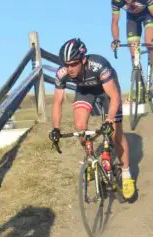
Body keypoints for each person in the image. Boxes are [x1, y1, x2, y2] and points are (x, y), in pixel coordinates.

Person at [49, 38, 136, 200]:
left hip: (108, 90)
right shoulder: (62, 73)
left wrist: (109, 121)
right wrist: (56, 128)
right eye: (66, 64)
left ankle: (126, 173)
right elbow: (57, 102)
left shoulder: (99, 66)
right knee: (80, 126)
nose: (70, 69)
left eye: (74, 64)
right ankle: (90, 159)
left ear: (83, 60)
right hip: (85, 91)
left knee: (116, 133)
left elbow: (115, 97)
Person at [111, 0, 153, 90]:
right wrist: (116, 39)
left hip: (148, 15)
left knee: (149, 43)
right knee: (133, 53)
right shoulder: (116, 1)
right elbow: (115, 22)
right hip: (132, 19)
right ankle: (139, 84)